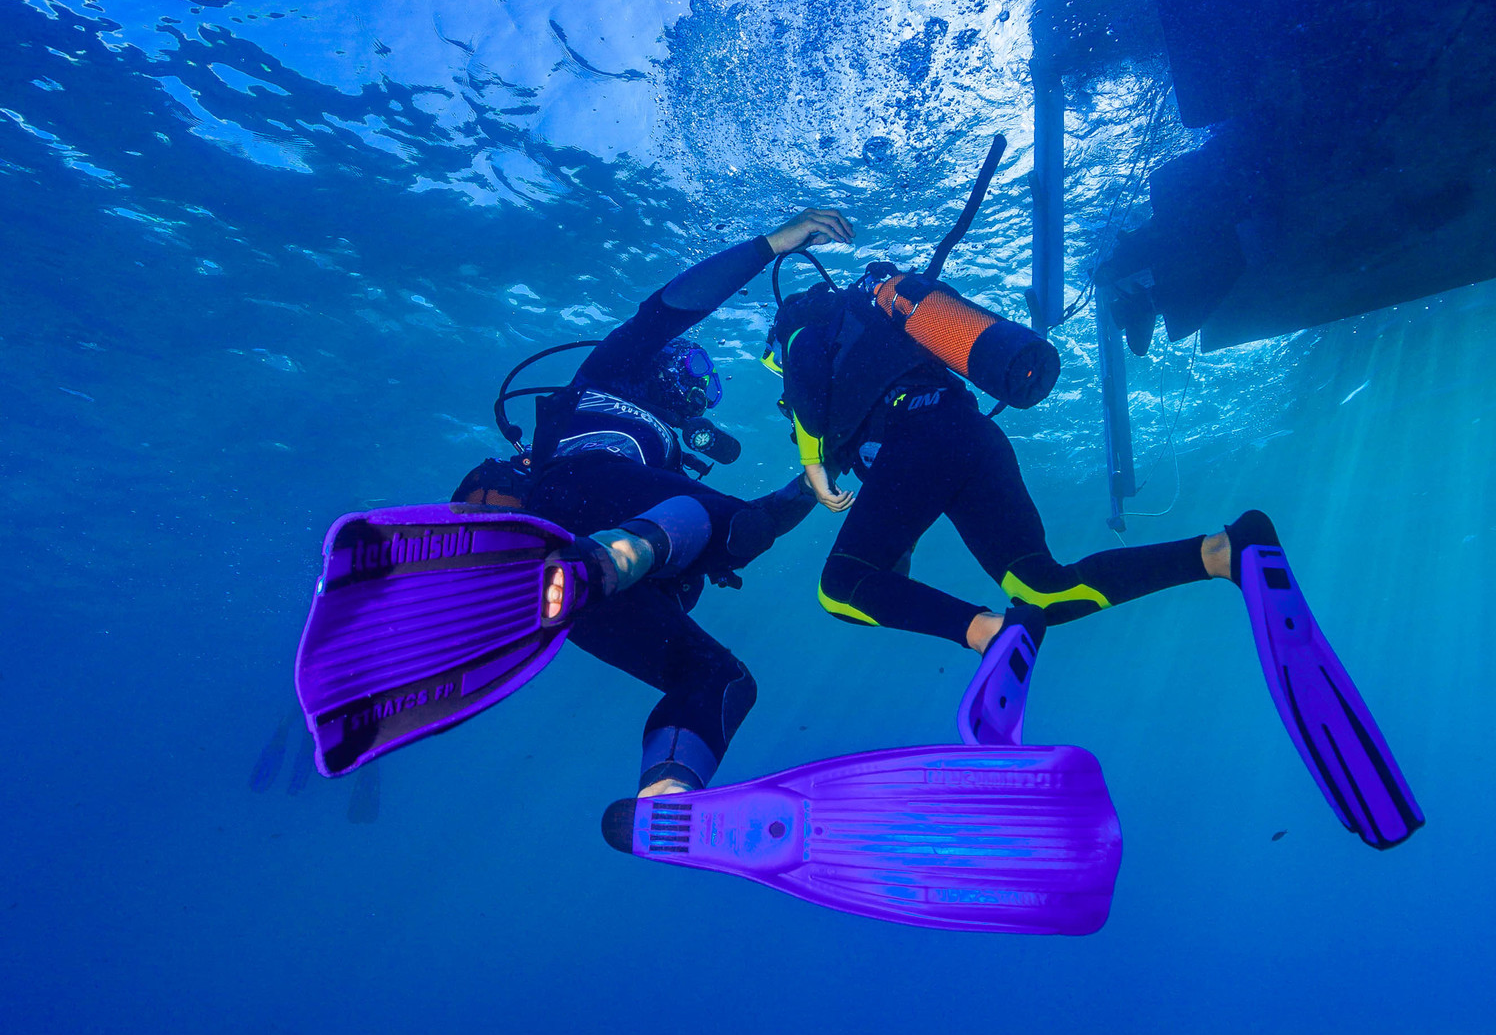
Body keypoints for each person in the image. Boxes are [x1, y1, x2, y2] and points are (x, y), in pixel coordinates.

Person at [450, 205, 853, 797]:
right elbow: (670, 308)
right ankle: (598, 562)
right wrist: (773, 243)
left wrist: (816, 479)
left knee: (722, 679)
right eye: (692, 369)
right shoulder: (604, 379)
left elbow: (747, 529)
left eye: (705, 387)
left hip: (585, 586)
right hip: (572, 500)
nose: (694, 390)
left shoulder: (665, 467)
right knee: (713, 520)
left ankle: (667, 798)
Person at [767, 253, 1267, 678]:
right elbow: (902, 494)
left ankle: (990, 634)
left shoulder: (804, 333)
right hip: (969, 435)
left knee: (838, 588)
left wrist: (813, 464)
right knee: (1043, 590)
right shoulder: (873, 337)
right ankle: (1223, 553)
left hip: (920, 438)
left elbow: (806, 372)